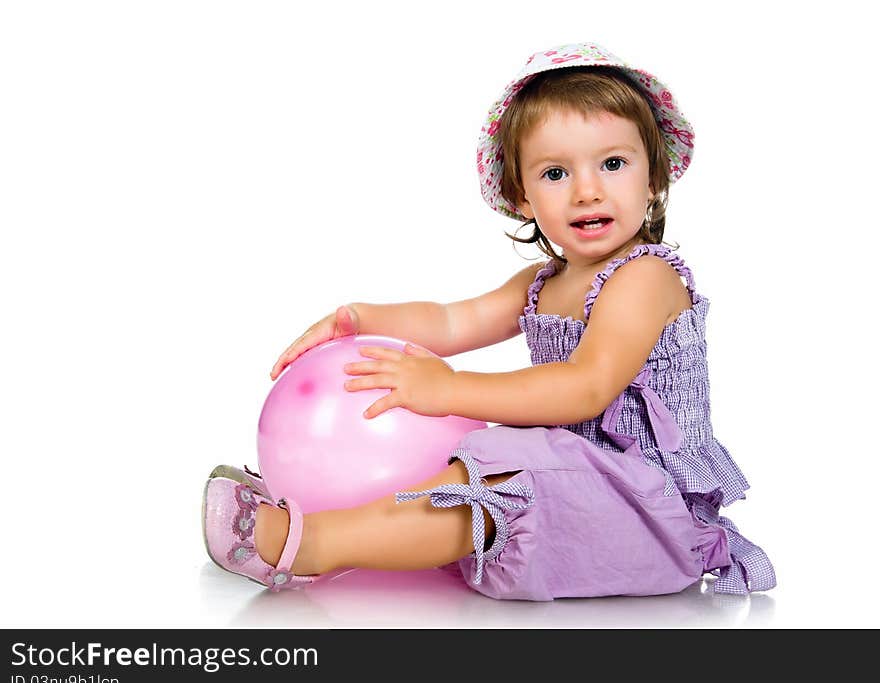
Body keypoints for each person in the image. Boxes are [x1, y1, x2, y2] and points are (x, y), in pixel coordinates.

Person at [202, 41, 776, 600]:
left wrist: (448, 389)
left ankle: (308, 545)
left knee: (491, 487)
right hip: (580, 484)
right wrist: (360, 319)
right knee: (490, 464)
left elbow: (586, 387)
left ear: (653, 178)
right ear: (520, 195)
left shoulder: (645, 277)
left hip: (650, 509)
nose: (587, 190)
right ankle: (323, 514)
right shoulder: (543, 283)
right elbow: (453, 322)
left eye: (613, 163)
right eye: (555, 173)